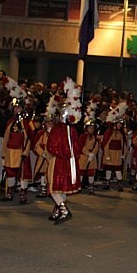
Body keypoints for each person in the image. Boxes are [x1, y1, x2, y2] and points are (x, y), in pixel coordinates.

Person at [46, 78, 81, 224]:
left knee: (54, 188)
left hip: (58, 161)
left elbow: (51, 147)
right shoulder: (72, 130)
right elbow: (75, 148)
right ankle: (58, 212)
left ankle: (63, 210)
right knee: (62, 188)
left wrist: (49, 134)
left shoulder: (57, 129)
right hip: (69, 162)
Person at [0, 77, 34, 204]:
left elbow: (30, 138)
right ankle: (9, 193)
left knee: (23, 174)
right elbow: (6, 137)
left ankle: (23, 194)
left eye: (19, 108)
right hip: (10, 151)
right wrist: (3, 152)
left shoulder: (27, 123)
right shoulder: (10, 121)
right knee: (10, 173)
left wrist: (25, 152)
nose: (17, 110)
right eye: (15, 108)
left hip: (21, 151)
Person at [101, 102, 128, 191]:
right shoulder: (109, 133)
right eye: (119, 124)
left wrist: (124, 153)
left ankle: (119, 183)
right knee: (109, 169)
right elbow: (106, 144)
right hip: (110, 154)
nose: (120, 125)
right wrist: (107, 155)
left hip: (118, 155)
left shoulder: (120, 134)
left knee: (117, 169)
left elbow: (123, 144)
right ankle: (107, 182)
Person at [78, 99, 99, 194]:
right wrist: (87, 153)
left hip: (92, 158)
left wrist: (93, 153)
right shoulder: (83, 136)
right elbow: (81, 146)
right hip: (84, 157)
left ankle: (91, 187)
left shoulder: (95, 137)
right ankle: (79, 185)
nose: (91, 129)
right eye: (90, 128)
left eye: (93, 128)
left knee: (91, 172)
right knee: (82, 171)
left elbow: (97, 146)